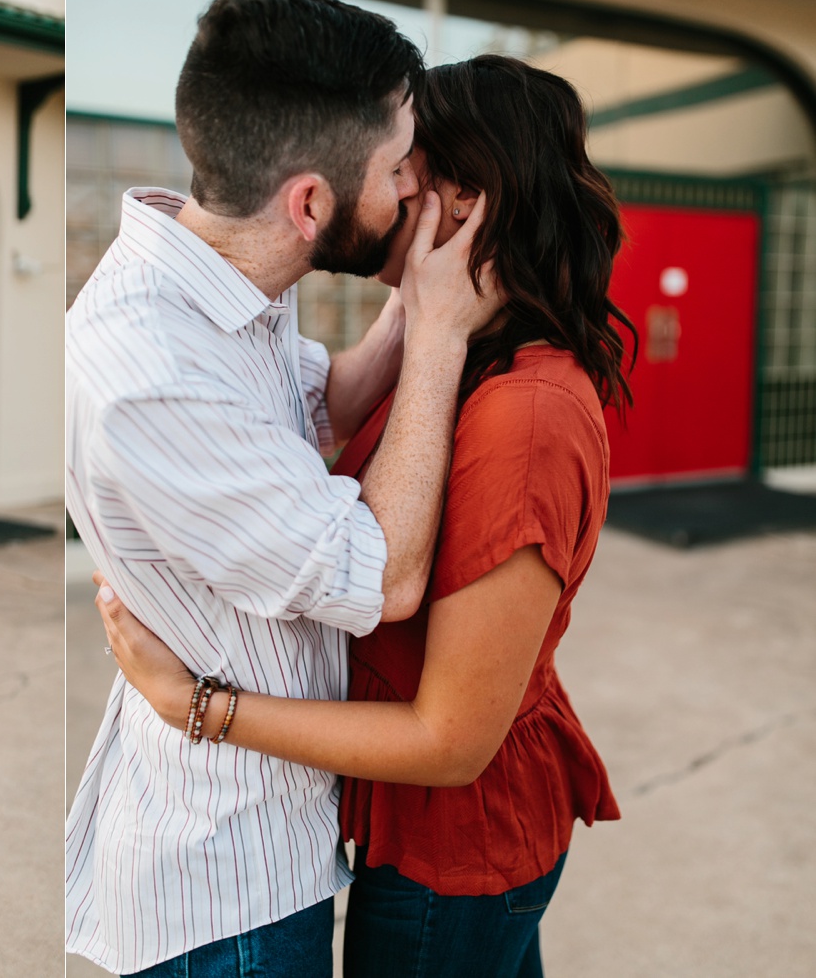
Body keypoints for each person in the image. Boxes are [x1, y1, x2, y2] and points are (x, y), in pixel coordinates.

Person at [94, 54, 635, 978]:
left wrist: (197, 707)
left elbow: (449, 739)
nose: (382, 188)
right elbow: (319, 418)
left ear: (466, 200)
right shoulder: (462, 359)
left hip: (452, 851)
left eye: (405, 166)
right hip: (413, 829)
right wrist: (427, 315)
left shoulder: (524, 418)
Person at [64, 0, 501, 978]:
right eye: (400, 171)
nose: (415, 190)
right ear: (309, 202)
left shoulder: (228, 282)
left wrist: (418, 281)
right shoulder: (153, 373)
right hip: (227, 887)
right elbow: (379, 577)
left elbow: (330, 406)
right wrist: (438, 332)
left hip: (269, 832)